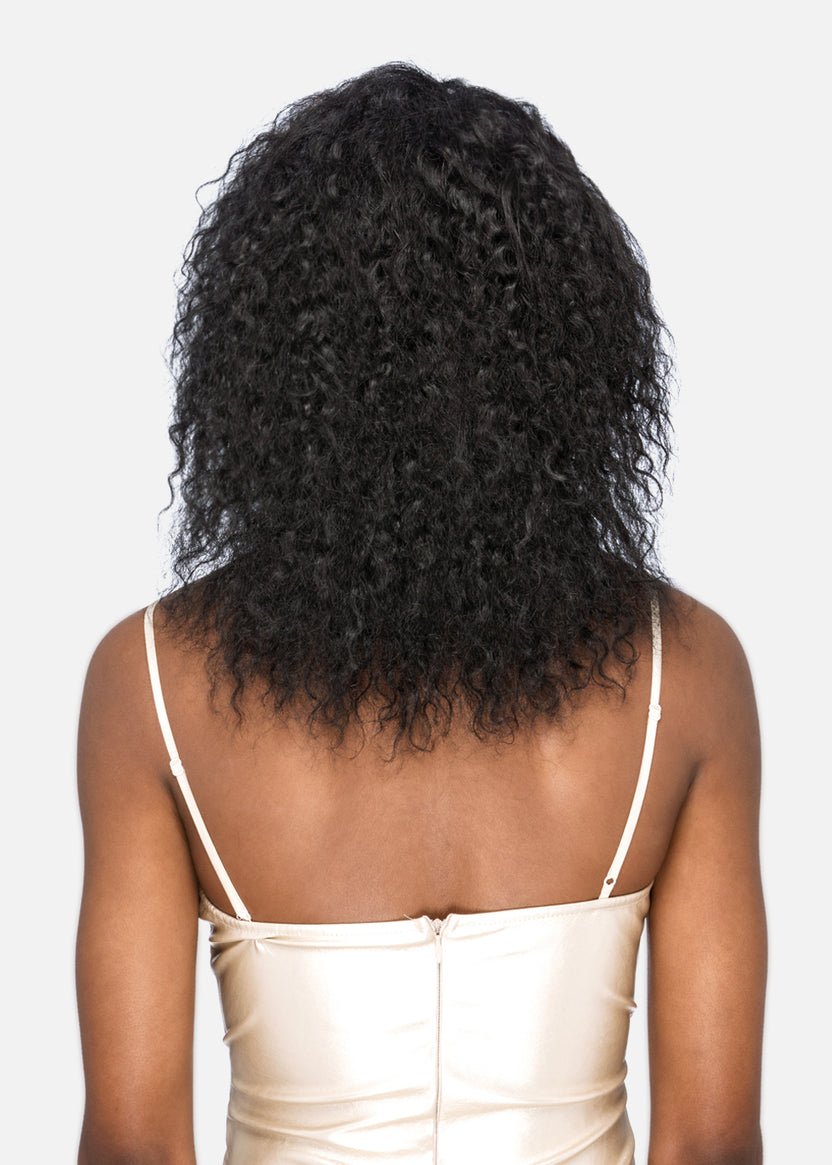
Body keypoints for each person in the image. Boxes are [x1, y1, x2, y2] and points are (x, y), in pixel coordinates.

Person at [75, 61, 766, 1165]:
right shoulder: (681, 671)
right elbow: (712, 1142)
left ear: (270, 365)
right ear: (564, 357)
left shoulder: (155, 679)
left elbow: (134, 1142)